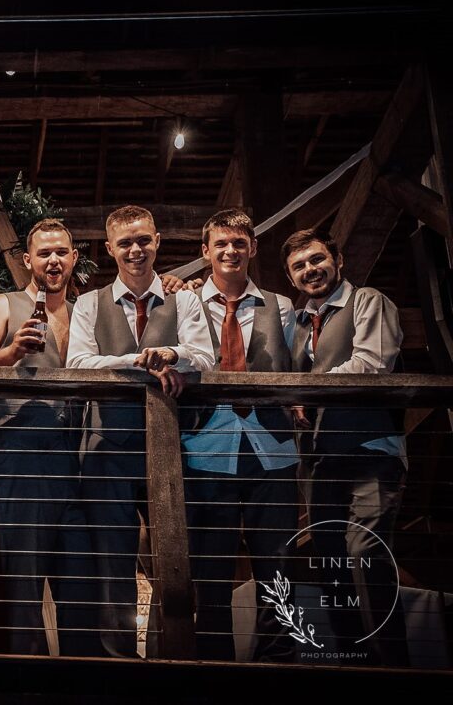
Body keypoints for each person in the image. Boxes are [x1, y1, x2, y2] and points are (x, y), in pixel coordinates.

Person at [67, 204, 215, 658]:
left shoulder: (184, 299)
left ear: (157, 241)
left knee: (174, 563)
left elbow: (204, 357)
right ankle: (118, 664)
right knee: (113, 564)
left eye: (143, 240)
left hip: (174, 447)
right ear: (110, 248)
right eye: (125, 242)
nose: (136, 250)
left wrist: (170, 355)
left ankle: (172, 657)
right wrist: (138, 360)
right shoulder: (90, 304)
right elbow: (77, 363)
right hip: (106, 449)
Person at [0, 218, 99, 656]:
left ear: (74, 257)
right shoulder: (3, 306)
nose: (53, 260)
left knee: (82, 584)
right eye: (44, 252)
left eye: (61, 251)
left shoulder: (86, 310)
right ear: (28, 260)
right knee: (23, 585)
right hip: (20, 457)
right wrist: (10, 354)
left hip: (82, 461)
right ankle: (27, 678)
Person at [282, 227, 408, 666]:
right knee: (329, 559)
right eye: (299, 266)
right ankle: (352, 659)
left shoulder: (369, 301)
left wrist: (308, 391)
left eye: (317, 260)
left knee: (366, 551)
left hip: (371, 451)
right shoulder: (294, 323)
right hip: (318, 459)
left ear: (338, 260)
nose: (309, 270)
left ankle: (393, 665)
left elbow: (370, 366)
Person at [180, 210, 299, 662]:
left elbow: (294, 365)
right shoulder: (185, 303)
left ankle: (277, 660)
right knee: (210, 571)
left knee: (278, 566)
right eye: (221, 244)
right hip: (207, 448)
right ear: (205, 251)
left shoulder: (280, 305)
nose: (230, 251)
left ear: (252, 248)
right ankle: (214, 665)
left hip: (272, 449)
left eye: (239, 244)